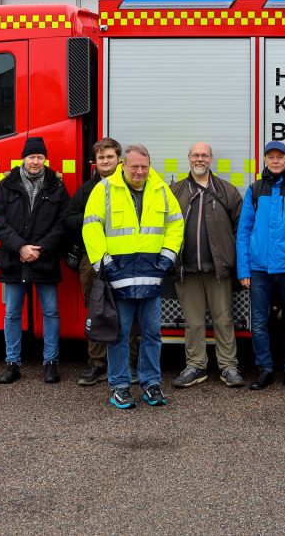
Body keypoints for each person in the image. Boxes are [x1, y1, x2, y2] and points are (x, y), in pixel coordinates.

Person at [82, 144, 183, 410]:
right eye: (134, 166)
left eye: (144, 166)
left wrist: (168, 255)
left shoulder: (161, 189)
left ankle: (151, 383)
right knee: (120, 333)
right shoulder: (103, 190)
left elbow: (175, 223)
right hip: (120, 273)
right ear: (123, 165)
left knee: (152, 333)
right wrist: (104, 263)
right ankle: (120, 387)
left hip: (151, 271)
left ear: (150, 166)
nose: (140, 171)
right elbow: (91, 227)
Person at [0, 136, 70, 385]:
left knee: (51, 313)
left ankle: (50, 363)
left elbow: (63, 222)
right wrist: (20, 247)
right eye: (32, 157)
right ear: (23, 158)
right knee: (12, 313)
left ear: (45, 159)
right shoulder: (7, 185)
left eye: (40, 157)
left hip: (44, 258)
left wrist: (40, 249)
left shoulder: (56, 186)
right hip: (15, 258)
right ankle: (12, 364)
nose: (36, 161)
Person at [236, 140, 285, 391]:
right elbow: (244, 231)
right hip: (259, 268)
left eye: (280, 157)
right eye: (271, 157)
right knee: (259, 321)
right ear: (265, 161)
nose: (276, 161)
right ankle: (265, 369)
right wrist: (244, 269)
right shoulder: (255, 190)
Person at [63, 137, 138, 386]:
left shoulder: (132, 185)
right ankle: (97, 363)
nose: (106, 161)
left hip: (126, 258)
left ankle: (129, 363)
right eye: (101, 158)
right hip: (93, 259)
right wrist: (92, 219)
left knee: (128, 310)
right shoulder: (87, 190)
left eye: (110, 157)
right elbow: (69, 219)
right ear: (95, 162)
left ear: (119, 159)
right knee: (97, 309)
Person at [170, 142, 246, 388]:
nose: (199, 159)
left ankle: (228, 367)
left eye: (204, 155)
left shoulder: (227, 191)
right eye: (195, 155)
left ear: (211, 159)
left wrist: (231, 257)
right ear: (188, 158)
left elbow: (242, 229)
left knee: (223, 318)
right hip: (186, 268)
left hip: (218, 269)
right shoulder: (175, 191)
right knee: (193, 322)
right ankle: (196, 366)